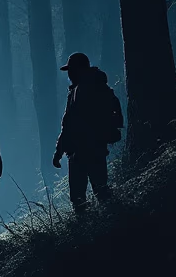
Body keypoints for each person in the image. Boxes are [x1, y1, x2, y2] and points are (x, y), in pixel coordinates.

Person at [52, 52, 123, 211]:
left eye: (71, 70)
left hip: (82, 150)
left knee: (79, 198)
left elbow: (70, 124)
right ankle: (114, 220)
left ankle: (92, 228)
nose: (69, 74)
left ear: (78, 69)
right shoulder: (93, 86)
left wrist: (59, 151)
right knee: (101, 190)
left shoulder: (81, 90)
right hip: (95, 147)